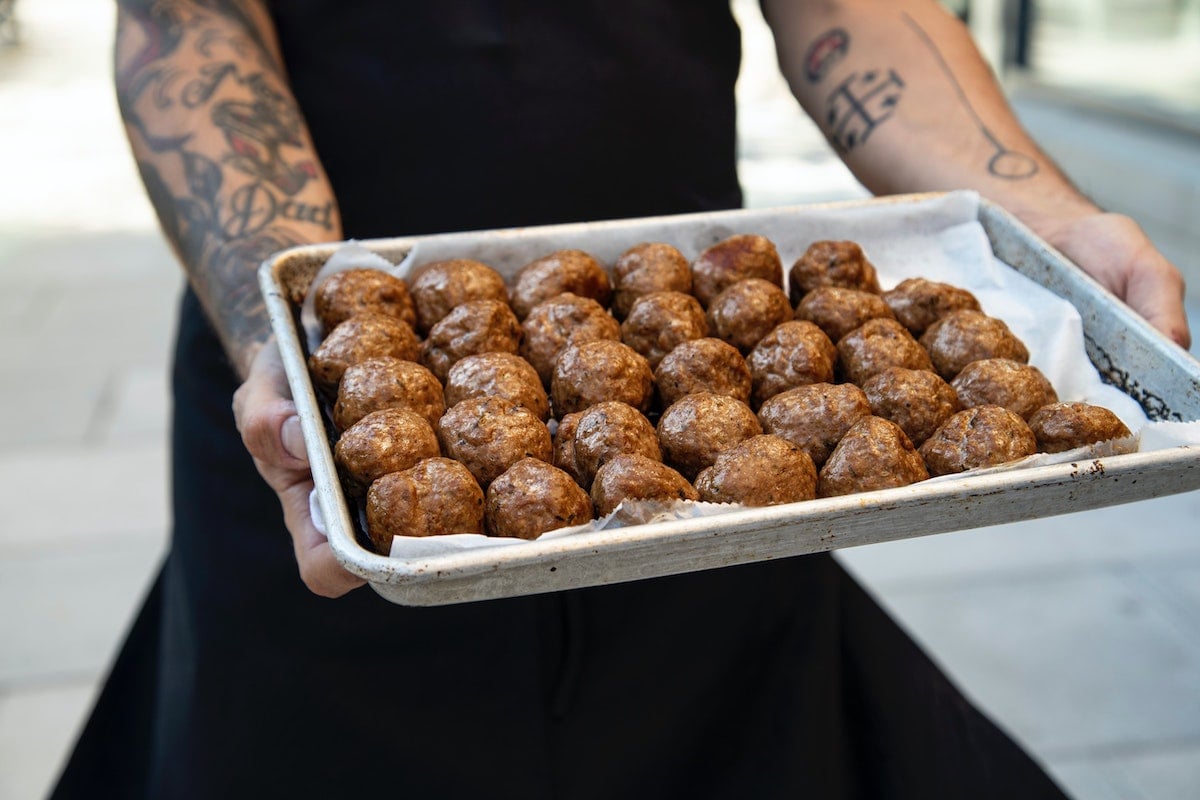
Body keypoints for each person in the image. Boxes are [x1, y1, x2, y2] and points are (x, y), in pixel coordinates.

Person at [55, 1, 1188, 798]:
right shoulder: (321, 380)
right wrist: (300, 339)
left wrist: (1036, 217)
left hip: (705, 364)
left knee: (729, 734)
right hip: (323, 402)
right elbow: (185, 19)